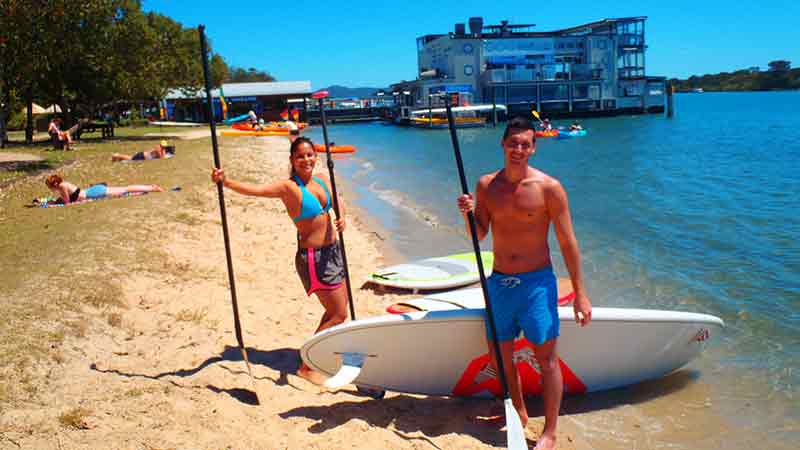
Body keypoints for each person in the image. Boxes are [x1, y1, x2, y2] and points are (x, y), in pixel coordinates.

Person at [456, 116, 592, 450]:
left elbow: (568, 242)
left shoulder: (549, 188)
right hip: (500, 282)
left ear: (534, 148)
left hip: (537, 285)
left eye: (525, 144)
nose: (518, 149)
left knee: (546, 361)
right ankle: (517, 410)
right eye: (513, 142)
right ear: (503, 144)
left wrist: (581, 294)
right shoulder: (487, 185)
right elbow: (481, 234)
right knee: (500, 357)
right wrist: (468, 215)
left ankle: (550, 432)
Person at [210, 136, 348, 385]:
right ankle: (307, 366)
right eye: (300, 156)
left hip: (334, 252)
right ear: (292, 161)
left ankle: (317, 354)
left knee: (336, 312)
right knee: (338, 314)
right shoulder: (289, 188)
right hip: (314, 259)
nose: (306, 159)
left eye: (310, 155)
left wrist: (343, 218)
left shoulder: (322, 179)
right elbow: (256, 190)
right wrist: (225, 181)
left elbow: (338, 199)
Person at [45, 174, 163, 205]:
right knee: (125, 189)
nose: (50, 189)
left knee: (125, 189)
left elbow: (67, 202)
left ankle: (152, 188)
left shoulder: (62, 186)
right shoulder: (63, 185)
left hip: (94, 192)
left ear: (54, 184)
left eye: (50, 186)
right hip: (93, 191)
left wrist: (54, 202)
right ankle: (150, 188)